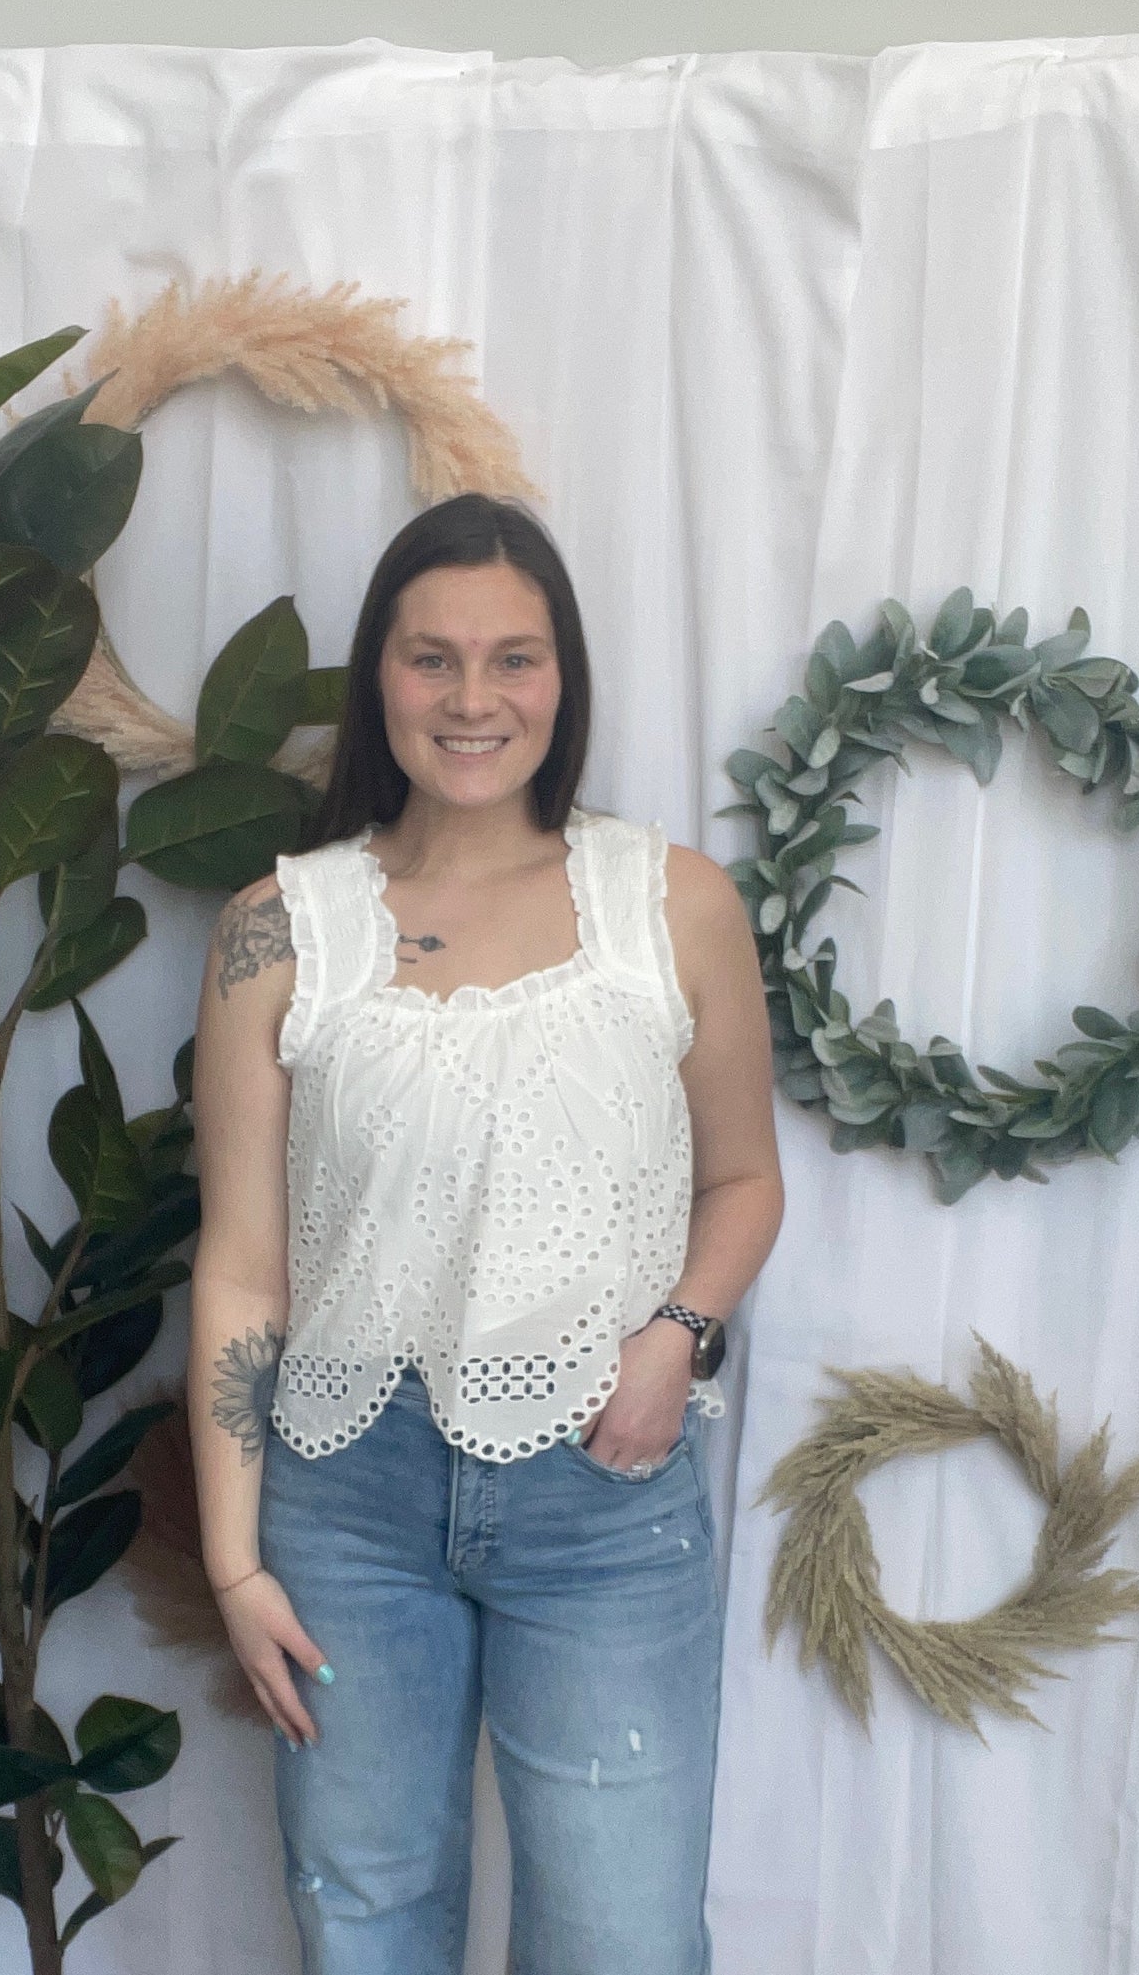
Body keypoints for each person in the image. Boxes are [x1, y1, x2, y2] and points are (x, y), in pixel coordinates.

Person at [188, 492, 784, 1974]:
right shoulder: (278, 927)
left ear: (562, 677)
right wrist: (233, 1558)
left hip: (608, 1491)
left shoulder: (673, 903)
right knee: (366, 1927)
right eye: (431, 657)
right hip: (343, 1499)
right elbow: (242, 1265)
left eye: (513, 658)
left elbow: (747, 1179)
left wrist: (680, 1333)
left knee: (625, 1941)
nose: (472, 698)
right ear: (377, 678)